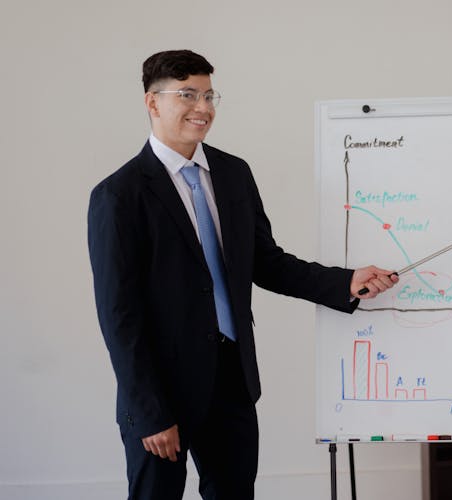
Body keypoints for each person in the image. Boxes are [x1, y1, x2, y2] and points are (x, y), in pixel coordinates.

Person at [87, 49, 397, 500]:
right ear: (152, 103)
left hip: (232, 381)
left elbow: (265, 262)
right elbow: (119, 316)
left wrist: (343, 281)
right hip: (161, 394)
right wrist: (149, 411)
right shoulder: (119, 195)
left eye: (210, 95)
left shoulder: (232, 174)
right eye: (188, 95)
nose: (204, 107)